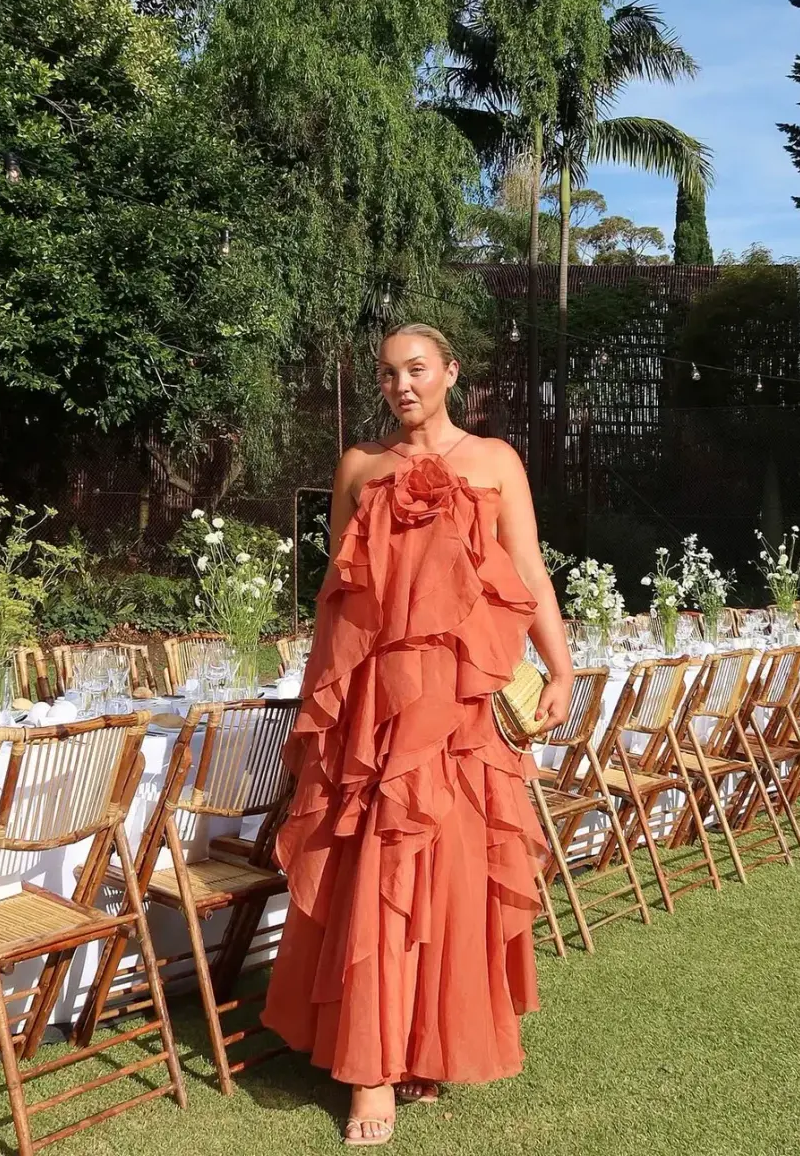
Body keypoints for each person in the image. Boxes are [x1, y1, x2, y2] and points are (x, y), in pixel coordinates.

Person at [261, 323, 574, 1146]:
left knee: (450, 870)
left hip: (463, 706)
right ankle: (370, 1072)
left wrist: (562, 667)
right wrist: (333, 700)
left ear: (450, 373)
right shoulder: (359, 467)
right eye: (388, 373)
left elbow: (530, 572)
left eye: (417, 369)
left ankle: (423, 1043)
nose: (401, 385)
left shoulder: (496, 461)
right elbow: (340, 589)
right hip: (378, 704)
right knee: (379, 863)